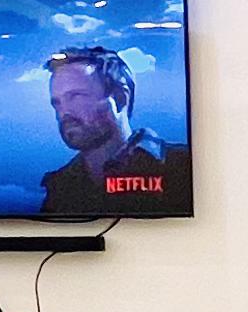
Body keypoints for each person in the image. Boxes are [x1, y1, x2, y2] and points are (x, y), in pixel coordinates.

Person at [39, 46, 179, 217]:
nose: (64, 112)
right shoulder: (60, 188)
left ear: (120, 98)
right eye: (57, 103)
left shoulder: (181, 165)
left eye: (76, 97)